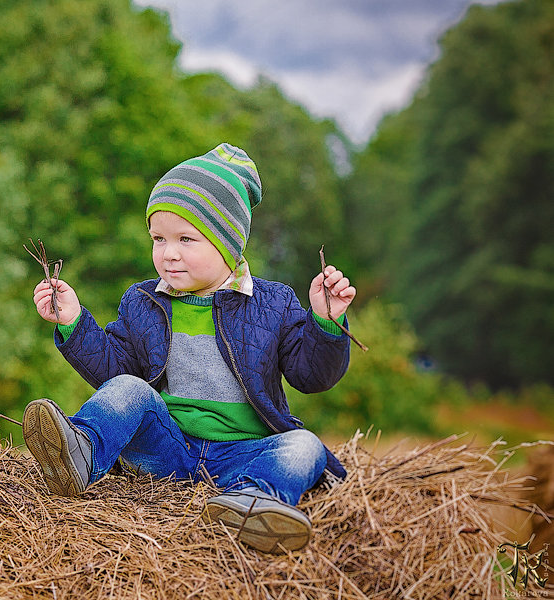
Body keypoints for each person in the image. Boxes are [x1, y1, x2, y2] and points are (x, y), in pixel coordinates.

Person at [24, 143, 355, 554]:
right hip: (168, 452)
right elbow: (115, 373)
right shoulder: (143, 301)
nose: (169, 253)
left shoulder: (274, 303)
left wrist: (326, 322)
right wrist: (75, 323)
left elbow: (312, 376)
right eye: (158, 239)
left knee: (305, 446)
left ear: (229, 245)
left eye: (186, 239)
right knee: (129, 389)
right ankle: (80, 453)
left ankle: (256, 500)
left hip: (244, 456)